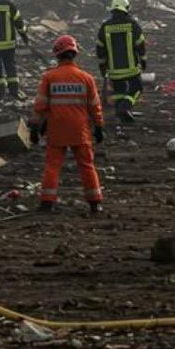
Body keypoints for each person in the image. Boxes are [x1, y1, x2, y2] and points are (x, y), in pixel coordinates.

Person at [30, 34, 104, 214]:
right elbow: (95, 106)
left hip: (57, 129)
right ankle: (95, 202)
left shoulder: (49, 77)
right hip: (80, 129)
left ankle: (47, 202)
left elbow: (41, 105)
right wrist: (99, 127)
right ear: (74, 53)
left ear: (57, 54)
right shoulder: (86, 78)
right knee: (87, 165)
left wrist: (34, 127)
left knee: (53, 165)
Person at [96, 0, 147, 124]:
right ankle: (124, 108)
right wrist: (143, 60)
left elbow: (100, 49)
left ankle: (120, 113)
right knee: (137, 88)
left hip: (114, 70)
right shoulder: (133, 24)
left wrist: (103, 67)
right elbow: (140, 44)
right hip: (131, 69)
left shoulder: (105, 26)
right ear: (127, 8)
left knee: (119, 90)